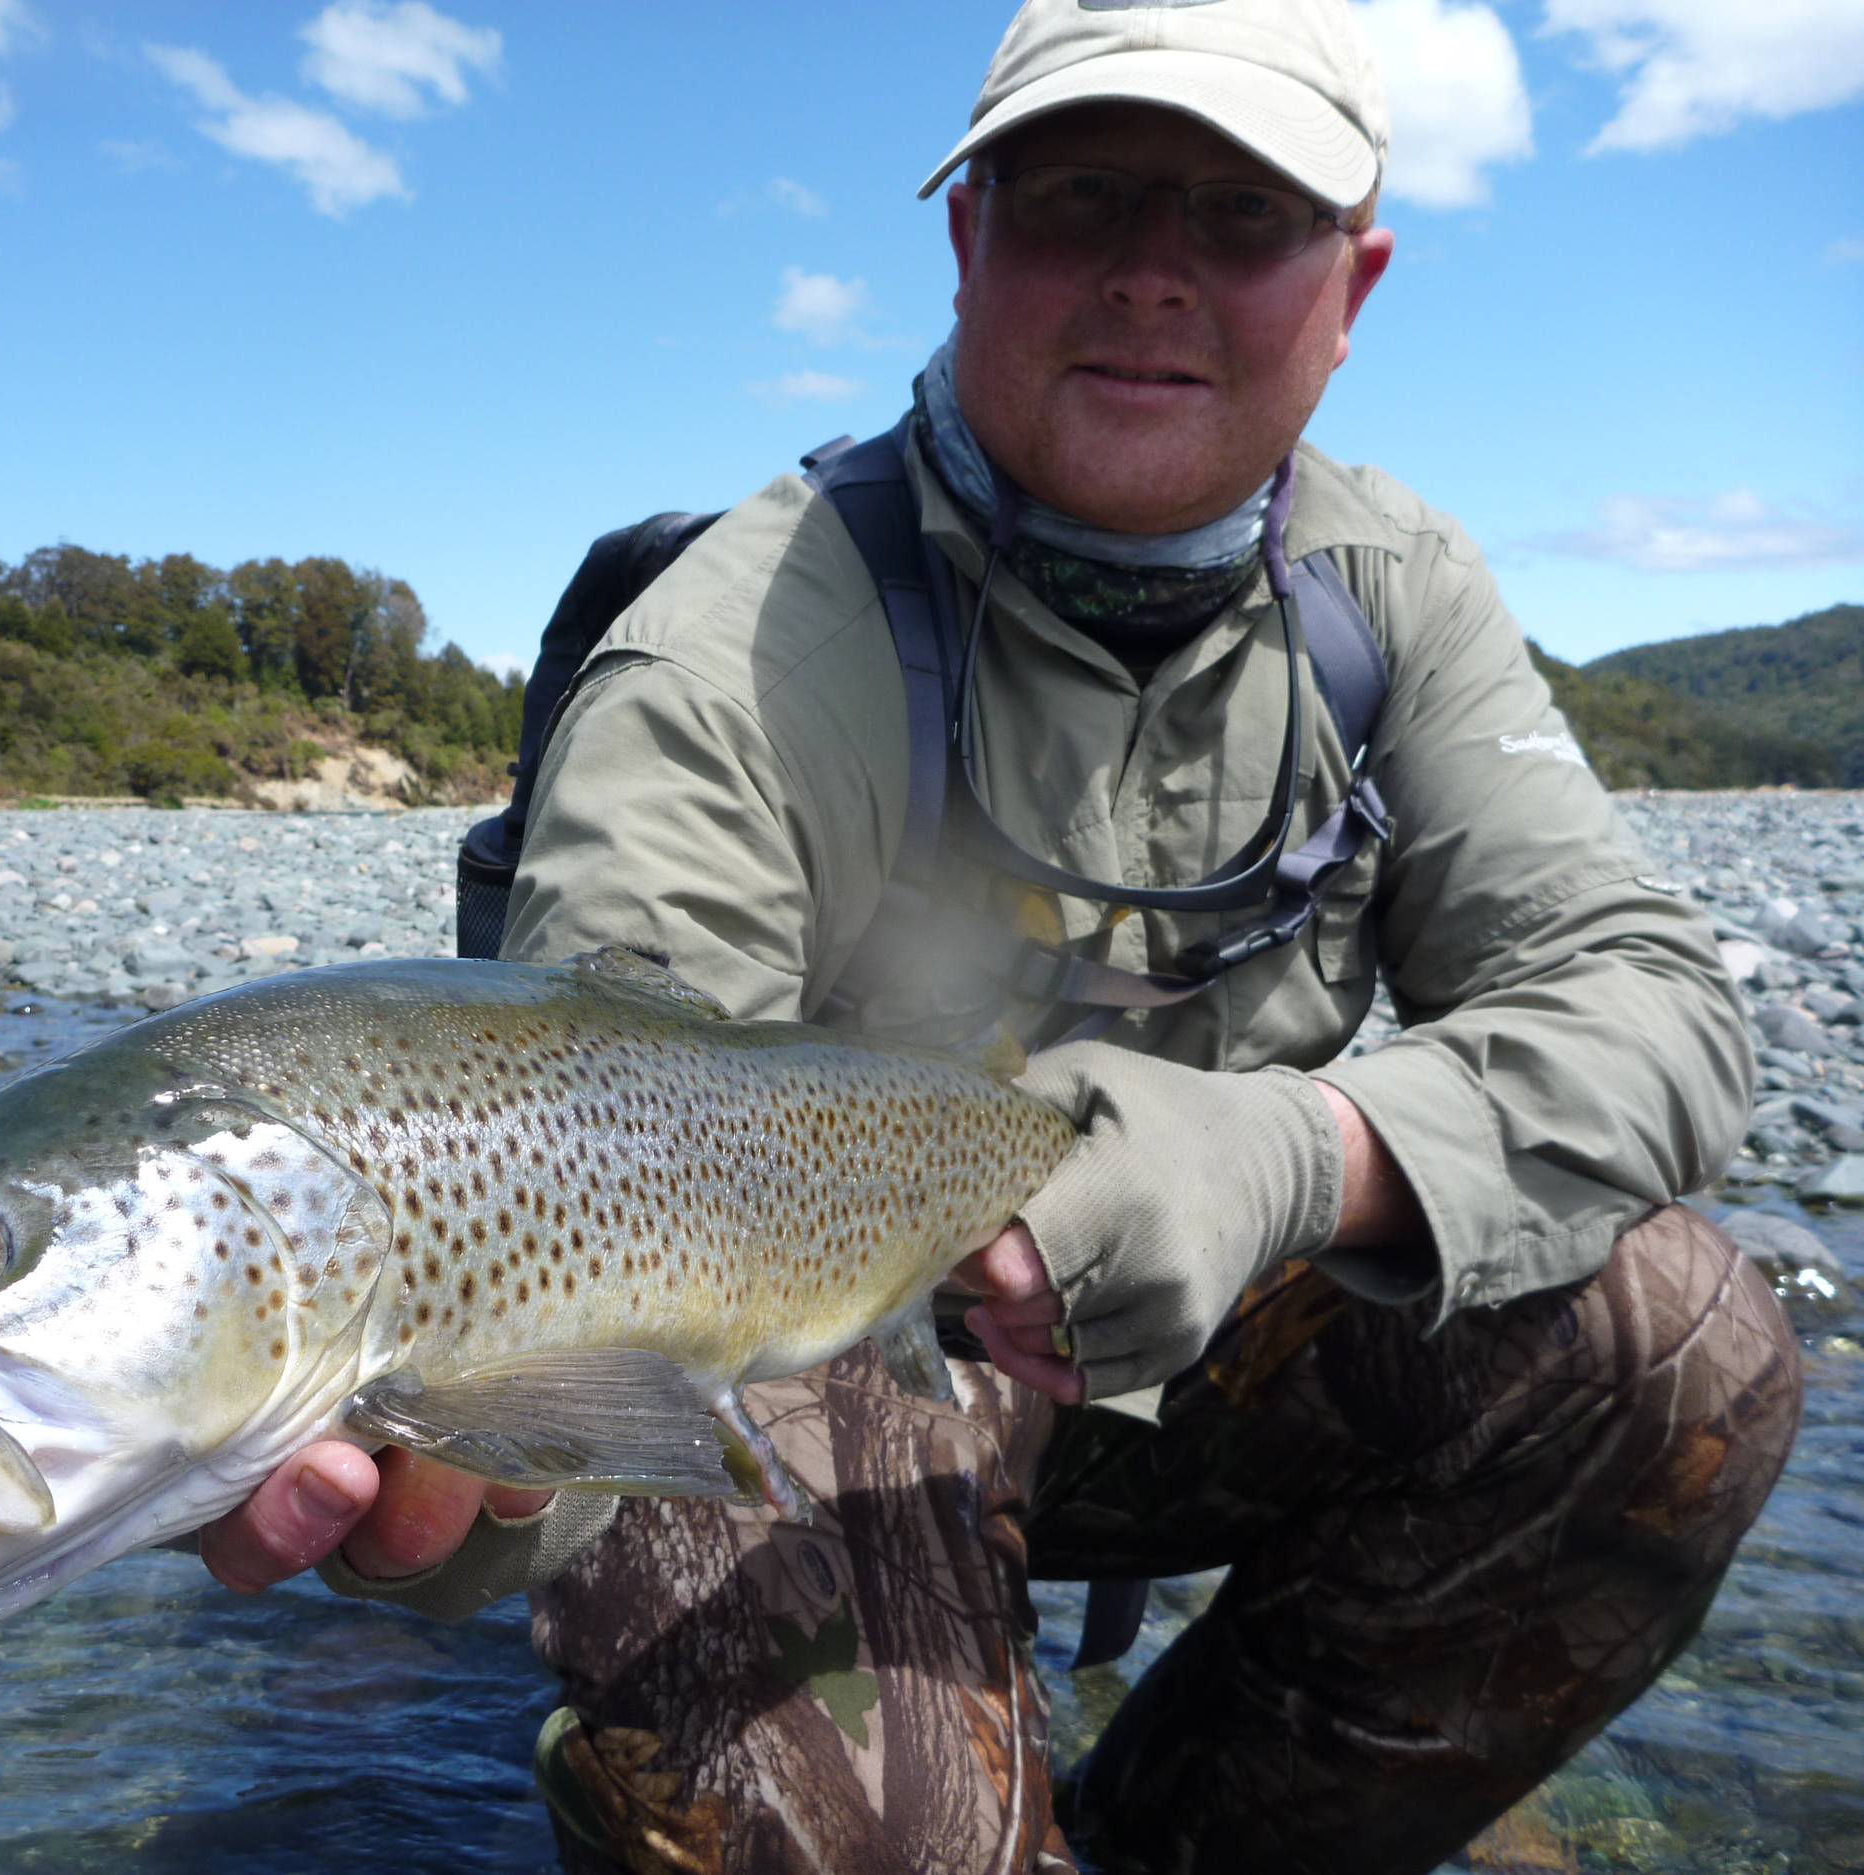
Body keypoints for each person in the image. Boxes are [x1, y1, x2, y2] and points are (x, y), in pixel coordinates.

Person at [193, 2, 1803, 1868]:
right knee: (871, 1832)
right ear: (968, 241)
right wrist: (446, 1485)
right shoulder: (730, 652)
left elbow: (1657, 1005)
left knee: (1686, 1350)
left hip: (1200, 1328)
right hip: (816, 1353)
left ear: (1351, 286)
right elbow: (592, 1210)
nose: (1150, 273)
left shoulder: (1397, 595)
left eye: (1241, 215)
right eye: (1081, 197)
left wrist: (1302, 1154)